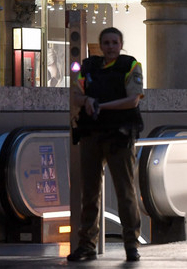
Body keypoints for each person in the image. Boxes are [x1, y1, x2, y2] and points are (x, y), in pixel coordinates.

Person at [67, 27, 144, 262]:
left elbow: (132, 101)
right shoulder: (89, 67)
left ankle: (131, 244)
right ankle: (87, 244)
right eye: (106, 43)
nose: (110, 47)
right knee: (89, 193)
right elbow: (75, 96)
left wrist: (100, 105)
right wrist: (88, 100)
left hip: (119, 135)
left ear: (121, 45)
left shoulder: (130, 66)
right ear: (100, 45)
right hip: (91, 134)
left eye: (114, 42)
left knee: (125, 192)